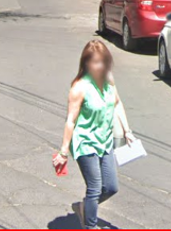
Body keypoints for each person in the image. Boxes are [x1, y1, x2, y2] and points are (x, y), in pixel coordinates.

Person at [54, 40, 134, 229]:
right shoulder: (79, 87)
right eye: (96, 62)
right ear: (87, 63)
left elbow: (117, 104)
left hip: (104, 141)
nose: (100, 66)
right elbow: (70, 120)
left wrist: (127, 131)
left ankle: (83, 207)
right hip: (85, 142)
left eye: (103, 61)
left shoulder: (109, 81)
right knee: (95, 188)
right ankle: (90, 226)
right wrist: (63, 152)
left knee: (111, 187)